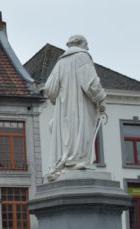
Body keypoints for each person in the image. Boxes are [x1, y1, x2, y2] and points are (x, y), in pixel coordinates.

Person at [45, 34, 107, 180]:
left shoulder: (60, 63)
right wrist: (100, 99)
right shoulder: (82, 56)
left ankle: (67, 160)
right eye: (87, 44)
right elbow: (90, 83)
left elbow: (49, 87)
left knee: (66, 133)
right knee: (81, 129)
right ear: (81, 44)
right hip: (81, 105)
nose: (88, 47)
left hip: (63, 109)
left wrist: (57, 100)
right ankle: (77, 160)